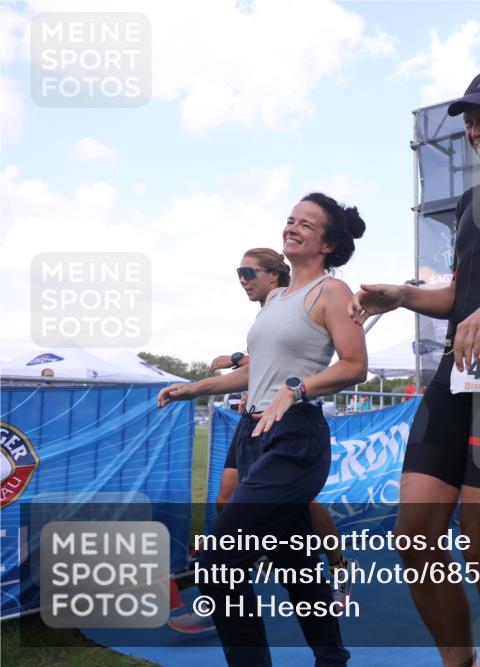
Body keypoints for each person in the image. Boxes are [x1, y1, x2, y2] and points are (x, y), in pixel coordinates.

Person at [349, 69, 480, 667]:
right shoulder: (470, 202)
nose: (476, 125)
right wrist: (405, 295)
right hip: (456, 372)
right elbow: (463, 293)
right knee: (414, 537)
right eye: (468, 117)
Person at [158, 193, 367, 666]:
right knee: (297, 566)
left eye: (307, 225)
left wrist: (297, 389)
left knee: (217, 565)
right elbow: (254, 372)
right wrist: (194, 388)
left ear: (329, 244)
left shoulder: (332, 293)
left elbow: (355, 367)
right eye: (291, 220)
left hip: (295, 438)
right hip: (254, 434)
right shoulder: (276, 297)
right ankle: (332, 659)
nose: (292, 227)